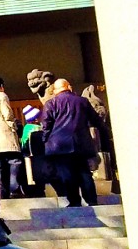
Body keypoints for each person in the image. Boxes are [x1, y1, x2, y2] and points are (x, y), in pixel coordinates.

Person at [39, 77, 107, 208]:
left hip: (59, 145)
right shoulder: (82, 102)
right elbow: (95, 120)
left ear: (55, 90)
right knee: (84, 172)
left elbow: (46, 125)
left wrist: (45, 140)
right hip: (81, 143)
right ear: (68, 87)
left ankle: (74, 201)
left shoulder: (51, 104)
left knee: (67, 175)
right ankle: (91, 200)